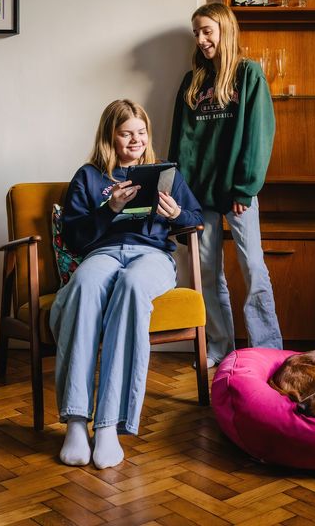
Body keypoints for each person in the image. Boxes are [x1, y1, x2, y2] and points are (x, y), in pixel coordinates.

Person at [50, 99, 203, 469]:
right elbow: (73, 236)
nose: (135, 139)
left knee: (133, 288)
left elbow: (195, 218)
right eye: (126, 133)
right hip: (102, 254)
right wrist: (109, 210)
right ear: (110, 136)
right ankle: (75, 421)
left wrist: (177, 213)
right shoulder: (89, 176)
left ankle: (107, 426)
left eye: (141, 132)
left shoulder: (164, 173)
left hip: (151, 256)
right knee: (84, 287)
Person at [169, 2, 283, 367]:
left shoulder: (249, 75)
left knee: (253, 267)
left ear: (224, 30)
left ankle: (267, 347)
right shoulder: (192, 82)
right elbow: (180, 142)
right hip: (198, 195)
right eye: (197, 33)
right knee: (205, 270)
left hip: (237, 193)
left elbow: (259, 134)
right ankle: (221, 345)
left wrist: (245, 187)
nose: (201, 40)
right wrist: (178, 193)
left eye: (207, 31)